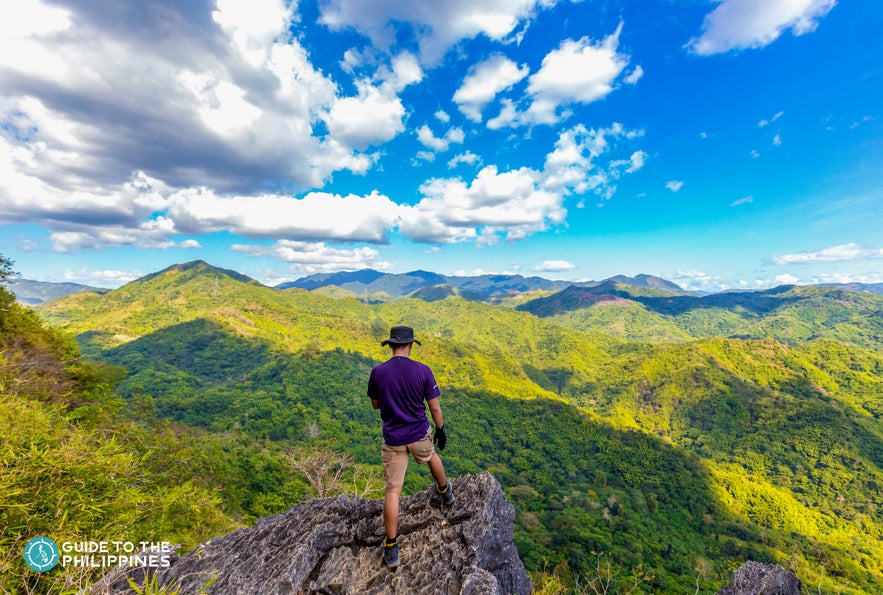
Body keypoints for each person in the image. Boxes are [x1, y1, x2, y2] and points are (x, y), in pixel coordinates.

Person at [367, 325, 453, 569]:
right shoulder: (422, 370)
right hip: (418, 434)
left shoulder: (378, 372)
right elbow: (434, 407)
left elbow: (375, 404)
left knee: (393, 491)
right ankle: (445, 491)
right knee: (431, 456)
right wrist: (441, 429)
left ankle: (392, 547)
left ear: (391, 345)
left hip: (393, 438)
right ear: (411, 345)